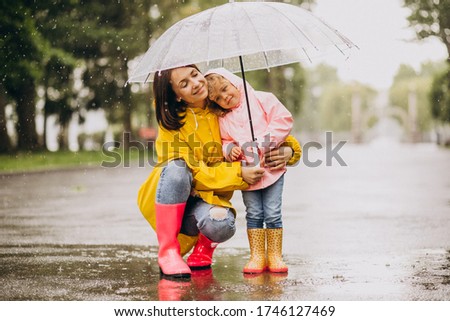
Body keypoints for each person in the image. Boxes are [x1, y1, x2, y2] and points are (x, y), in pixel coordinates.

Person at [137, 65, 301, 279]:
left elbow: (256, 130)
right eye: (184, 84)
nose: (195, 83)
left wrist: (290, 150)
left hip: (208, 200)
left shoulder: (220, 106)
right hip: (178, 197)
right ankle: (168, 251)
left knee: (222, 224)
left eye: (195, 75)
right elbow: (193, 171)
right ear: (176, 96)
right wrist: (238, 173)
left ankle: (205, 248)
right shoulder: (172, 123)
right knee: (177, 168)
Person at [205, 68, 292, 274]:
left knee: (272, 213)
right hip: (248, 173)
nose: (225, 97)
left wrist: (264, 142)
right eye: (218, 98)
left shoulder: (262, 99)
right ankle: (257, 255)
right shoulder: (224, 118)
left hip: (272, 169)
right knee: (254, 213)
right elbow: (225, 140)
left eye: (225, 89)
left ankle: (275, 255)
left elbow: (283, 120)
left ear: (234, 82)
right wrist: (229, 150)